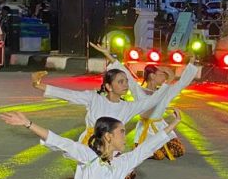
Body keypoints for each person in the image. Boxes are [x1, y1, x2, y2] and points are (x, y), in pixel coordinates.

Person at [0, 109, 182, 179]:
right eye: (122, 132)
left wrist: (174, 123)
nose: (125, 137)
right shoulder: (88, 156)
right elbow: (60, 142)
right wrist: (28, 124)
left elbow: (148, 146)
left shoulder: (124, 162)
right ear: (108, 136)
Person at [31, 48, 176, 146]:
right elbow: (69, 94)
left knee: (126, 175)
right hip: (91, 145)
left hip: (112, 148)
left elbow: (152, 101)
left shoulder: (128, 107)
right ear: (109, 86)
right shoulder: (94, 99)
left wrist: (167, 83)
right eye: (120, 82)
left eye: (126, 81)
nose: (126, 85)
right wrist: (39, 86)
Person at [89, 42, 199, 161]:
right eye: (162, 74)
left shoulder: (165, 92)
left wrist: (191, 62)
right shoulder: (139, 91)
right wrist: (108, 54)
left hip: (160, 126)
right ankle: (152, 148)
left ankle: (158, 147)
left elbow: (182, 83)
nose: (165, 77)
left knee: (178, 150)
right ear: (152, 76)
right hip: (145, 130)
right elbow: (125, 73)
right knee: (157, 154)